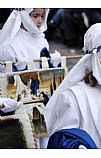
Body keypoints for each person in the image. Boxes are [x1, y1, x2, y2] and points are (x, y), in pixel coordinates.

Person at [0, 8, 59, 149]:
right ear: (24, 15)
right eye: (35, 16)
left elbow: (45, 64)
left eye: (42, 16)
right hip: (20, 101)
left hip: (43, 97)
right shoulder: (10, 44)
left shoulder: (41, 39)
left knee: (44, 137)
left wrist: (52, 62)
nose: (39, 21)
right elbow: (6, 74)